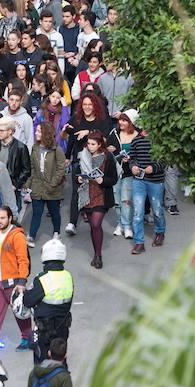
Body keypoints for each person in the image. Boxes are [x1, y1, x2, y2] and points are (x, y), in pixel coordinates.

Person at [63, 93, 112, 236]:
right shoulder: (77, 118)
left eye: (90, 104)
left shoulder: (101, 120)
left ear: (95, 105)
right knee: (76, 191)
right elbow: (71, 137)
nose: (87, 107)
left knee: (96, 190)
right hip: (80, 159)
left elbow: (105, 138)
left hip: (97, 161)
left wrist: (89, 132)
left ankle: (94, 218)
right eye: (84, 104)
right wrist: (67, 156)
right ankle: (72, 222)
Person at [0, 206, 31, 349]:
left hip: (14, 283)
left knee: (19, 311)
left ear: (10, 218)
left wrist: (22, 281)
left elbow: (23, 260)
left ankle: (27, 338)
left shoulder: (17, 236)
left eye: (2, 218)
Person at [23, 237, 73, 363]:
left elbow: (27, 301)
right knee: (61, 362)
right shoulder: (68, 276)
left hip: (45, 333)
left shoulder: (43, 279)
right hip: (62, 330)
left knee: (42, 364)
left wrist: (27, 291)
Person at [76, 130, 118, 268]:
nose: (90, 146)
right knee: (93, 228)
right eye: (88, 143)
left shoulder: (108, 157)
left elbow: (113, 179)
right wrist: (79, 178)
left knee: (95, 224)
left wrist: (102, 180)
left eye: (93, 144)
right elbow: (77, 174)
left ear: (100, 144)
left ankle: (98, 255)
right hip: (86, 195)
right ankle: (96, 254)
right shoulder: (83, 156)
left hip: (101, 195)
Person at [25, 122, 67, 247]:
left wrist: (53, 183)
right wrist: (29, 183)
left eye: (39, 131)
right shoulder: (35, 148)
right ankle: (31, 235)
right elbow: (32, 167)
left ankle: (56, 233)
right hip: (38, 186)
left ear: (46, 134)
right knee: (36, 212)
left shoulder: (56, 150)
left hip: (52, 188)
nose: (36, 133)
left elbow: (61, 169)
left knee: (54, 211)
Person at [128, 125, 165, 254]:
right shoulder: (136, 140)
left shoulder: (159, 139)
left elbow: (165, 159)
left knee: (157, 210)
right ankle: (139, 242)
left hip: (156, 181)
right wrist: (132, 167)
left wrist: (154, 168)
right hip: (139, 180)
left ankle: (160, 232)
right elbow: (132, 158)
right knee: (138, 212)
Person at [111, 109, 139, 239]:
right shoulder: (114, 133)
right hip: (115, 172)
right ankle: (120, 224)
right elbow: (106, 150)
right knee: (117, 200)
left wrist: (131, 159)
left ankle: (127, 226)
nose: (120, 122)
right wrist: (109, 149)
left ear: (131, 122)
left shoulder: (137, 136)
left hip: (129, 173)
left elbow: (141, 155)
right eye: (120, 119)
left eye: (124, 120)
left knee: (126, 200)